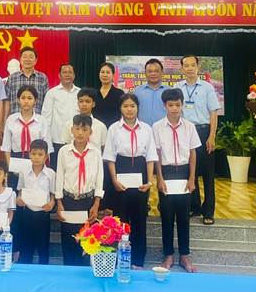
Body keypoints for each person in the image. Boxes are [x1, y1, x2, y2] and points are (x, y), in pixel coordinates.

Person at [103, 93, 157, 268]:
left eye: (132, 106)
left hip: (141, 174)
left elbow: (150, 157)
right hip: (121, 172)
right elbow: (110, 157)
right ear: (120, 108)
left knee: (139, 219)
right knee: (121, 220)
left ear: (137, 108)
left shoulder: (146, 129)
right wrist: (114, 180)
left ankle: (138, 260)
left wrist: (149, 182)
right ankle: (120, 260)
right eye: (125, 106)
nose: (129, 109)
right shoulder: (114, 128)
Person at [153, 88, 199, 273]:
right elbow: (156, 154)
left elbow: (193, 153)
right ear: (165, 106)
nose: (174, 108)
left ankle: (185, 255)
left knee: (184, 217)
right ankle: (168, 255)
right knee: (166, 217)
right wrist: (159, 178)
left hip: (184, 173)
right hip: (166, 173)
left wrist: (192, 178)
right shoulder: (157, 127)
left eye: (177, 105)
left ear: (182, 105)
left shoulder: (189, 126)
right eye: (170, 105)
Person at [176, 54, 221, 225]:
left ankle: (208, 211)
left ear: (198, 67)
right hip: (185, 132)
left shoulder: (207, 87)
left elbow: (213, 113)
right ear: (182, 68)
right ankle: (194, 207)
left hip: (203, 131)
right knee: (189, 171)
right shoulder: (178, 87)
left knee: (208, 174)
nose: (189, 68)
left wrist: (212, 136)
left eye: (192, 65)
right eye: (186, 65)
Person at [55, 114, 104, 266]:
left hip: (87, 201)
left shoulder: (95, 152)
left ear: (91, 132)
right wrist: (59, 202)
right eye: (77, 129)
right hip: (68, 201)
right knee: (68, 240)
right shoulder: (64, 151)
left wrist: (96, 203)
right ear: (72, 130)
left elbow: (99, 178)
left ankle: (84, 272)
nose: (80, 133)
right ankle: (69, 272)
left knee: (86, 242)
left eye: (84, 129)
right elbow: (59, 177)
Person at [1, 85, 51, 190]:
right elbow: (6, 147)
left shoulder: (41, 120)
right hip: (16, 159)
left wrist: (41, 167)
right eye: (23, 98)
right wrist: (10, 167)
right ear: (18, 100)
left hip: (36, 159)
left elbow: (47, 147)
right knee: (16, 192)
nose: (26, 101)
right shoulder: (11, 119)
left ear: (35, 101)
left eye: (29, 98)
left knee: (32, 192)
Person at [15, 139, 55, 265]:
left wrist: (51, 204)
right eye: (34, 154)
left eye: (40, 154)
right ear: (29, 155)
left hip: (43, 214)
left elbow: (53, 194)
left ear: (46, 157)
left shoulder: (51, 174)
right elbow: (20, 190)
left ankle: (43, 271)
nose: (36, 157)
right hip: (27, 213)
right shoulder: (24, 172)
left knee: (43, 247)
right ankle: (25, 271)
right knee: (26, 247)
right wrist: (18, 198)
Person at [41, 63, 80, 170]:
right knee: (57, 172)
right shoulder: (52, 93)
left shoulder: (80, 93)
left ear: (74, 75)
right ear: (59, 75)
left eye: (70, 72)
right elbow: (46, 119)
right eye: (64, 72)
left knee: (74, 171)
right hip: (57, 141)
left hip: (76, 141)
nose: (67, 75)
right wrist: (47, 142)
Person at [4, 47, 49, 117]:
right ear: (20, 60)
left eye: (31, 57)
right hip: (15, 120)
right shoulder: (12, 78)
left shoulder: (42, 78)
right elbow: (7, 101)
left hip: (37, 120)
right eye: (25, 57)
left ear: (35, 60)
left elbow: (47, 101)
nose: (27, 59)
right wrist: (5, 120)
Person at [134, 58, 168, 127]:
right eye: (150, 71)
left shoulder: (169, 91)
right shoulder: (137, 91)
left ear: (162, 73)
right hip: (142, 130)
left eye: (156, 71)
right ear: (145, 73)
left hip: (164, 130)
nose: (153, 74)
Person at [93, 62, 124, 128]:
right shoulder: (93, 93)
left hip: (113, 129)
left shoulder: (119, 93)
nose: (104, 75)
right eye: (102, 72)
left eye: (108, 72)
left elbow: (123, 113)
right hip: (97, 129)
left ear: (113, 75)